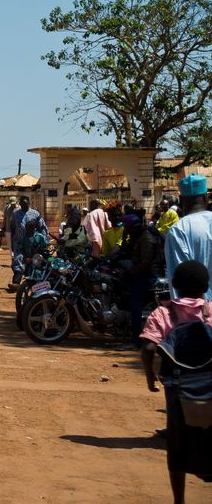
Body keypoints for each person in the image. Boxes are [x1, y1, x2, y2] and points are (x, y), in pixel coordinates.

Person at [139, 260, 212, 503]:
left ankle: (179, 499)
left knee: (177, 448)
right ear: (205, 287)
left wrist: (150, 377)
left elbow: (148, 347)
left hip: (177, 393)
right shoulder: (210, 312)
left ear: (175, 286)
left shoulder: (164, 313)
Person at [118, 212, 164, 350]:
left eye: (127, 227)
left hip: (147, 276)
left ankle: (136, 340)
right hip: (142, 272)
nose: (126, 230)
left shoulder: (146, 239)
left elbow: (146, 262)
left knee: (135, 304)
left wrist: (129, 272)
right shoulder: (138, 236)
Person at [166, 173, 212, 302]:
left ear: (180, 199)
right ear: (205, 197)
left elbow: (179, 275)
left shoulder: (178, 230)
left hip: (198, 313)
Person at [8, 217, 51, 291]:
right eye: (26, 228)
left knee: (50, 263)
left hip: (40, 259)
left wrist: (42, 256)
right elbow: (22, 249)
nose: (27, 230)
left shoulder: (39, 236)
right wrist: (26, 258)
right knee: (21, 267)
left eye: (29, 228)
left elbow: (46, 248)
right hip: (29, 260)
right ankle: (19, 285)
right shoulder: (25, 238)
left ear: (34, 229)